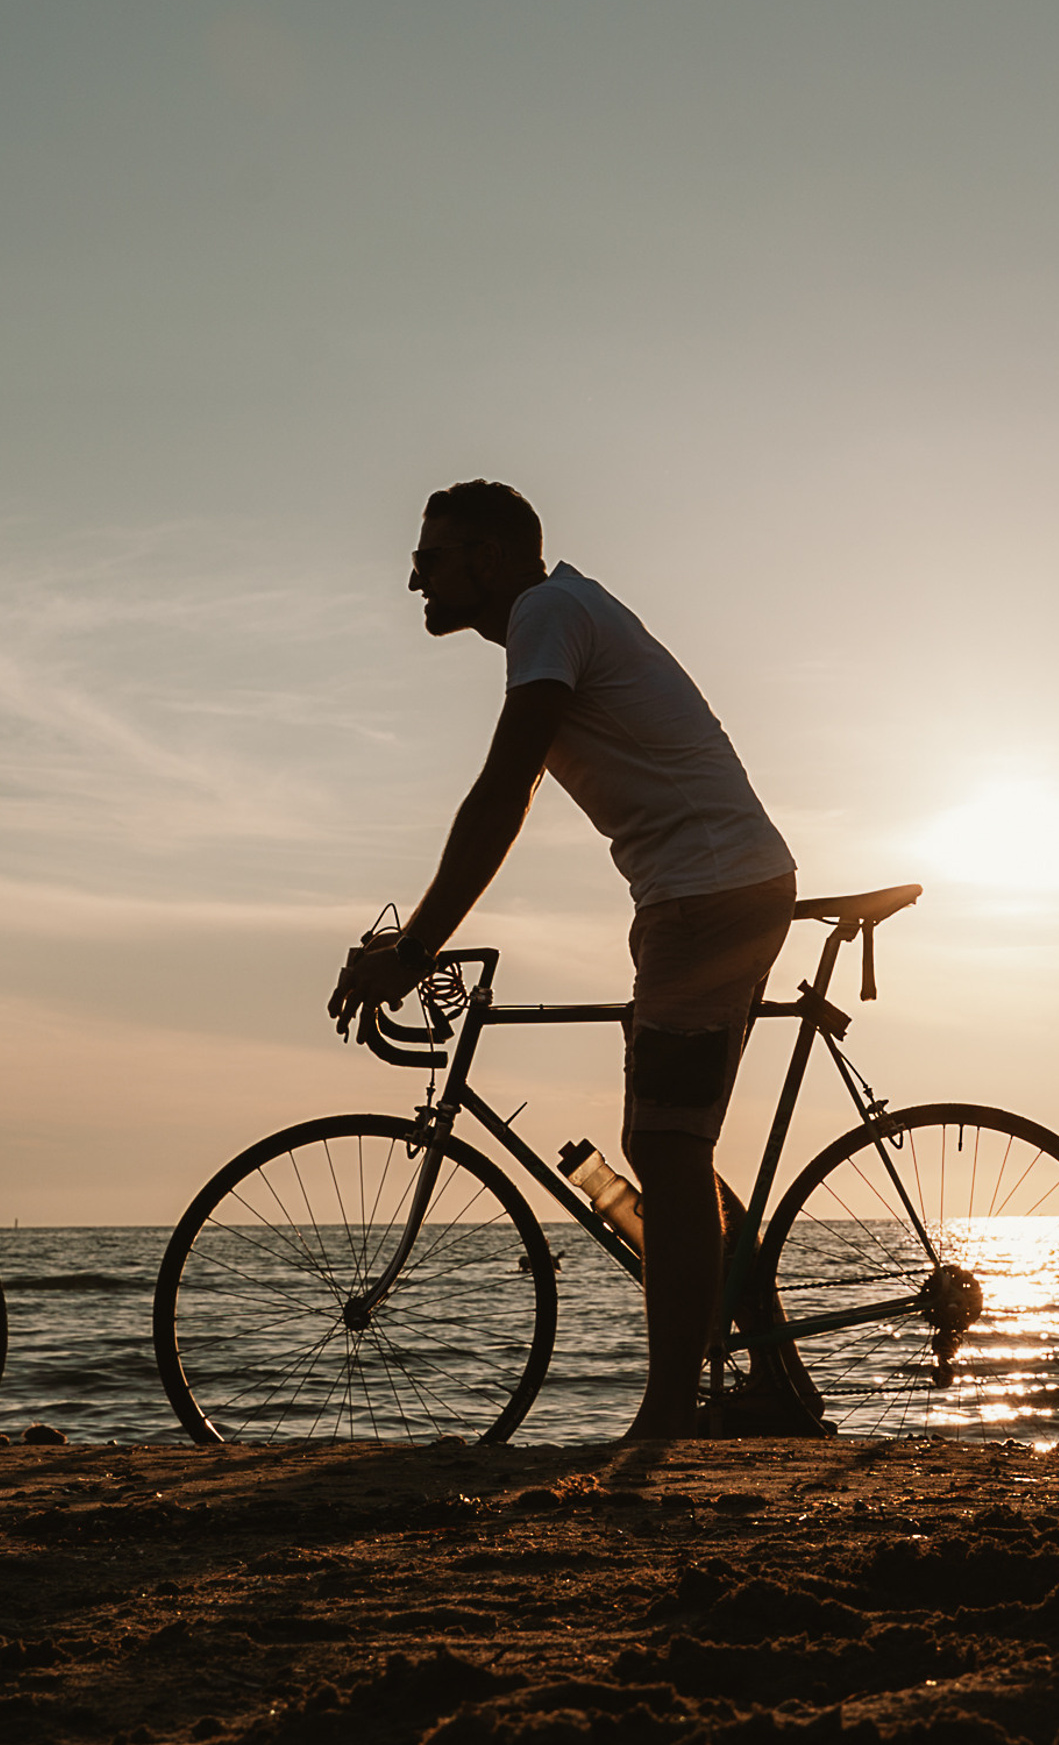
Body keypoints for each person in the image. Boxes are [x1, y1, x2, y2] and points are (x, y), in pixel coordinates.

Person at [329, 481, 797, 1441]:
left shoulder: (547, 611)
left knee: (664, 1148)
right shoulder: (561, 612)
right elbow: (509, 794)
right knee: (675, 1145)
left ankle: (669, 1419)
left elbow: (505, 789)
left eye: (431, 558)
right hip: (703, 893)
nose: (414, 578)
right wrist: (420, 940)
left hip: (707, 896)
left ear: (491, 558)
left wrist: (415, 950)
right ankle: (771, 1379)